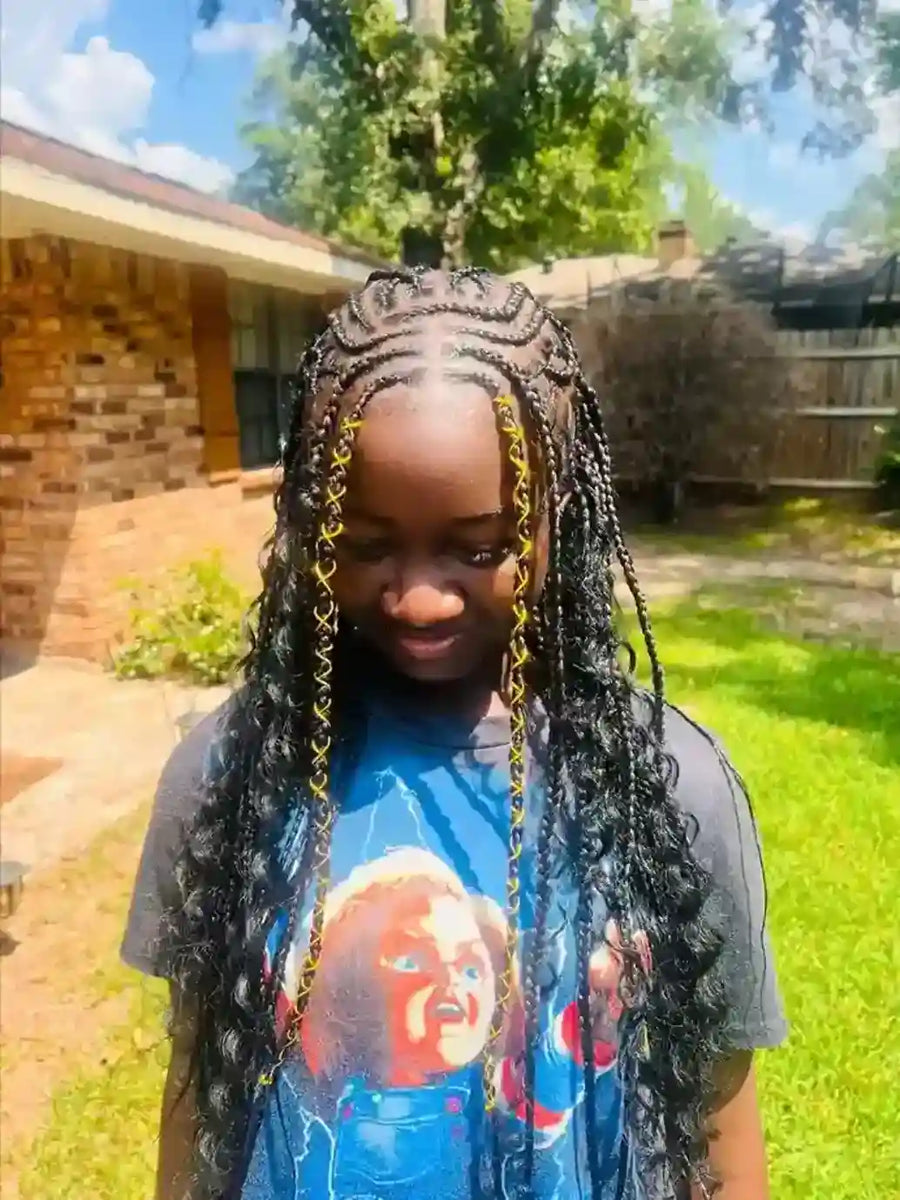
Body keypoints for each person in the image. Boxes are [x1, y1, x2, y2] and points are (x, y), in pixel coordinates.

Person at [121, 267, 786, 1200]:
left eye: (479, 548)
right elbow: (199, 1092)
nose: (419, 595)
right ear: (312, 523)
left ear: (562, 520)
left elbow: (718, 1109)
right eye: (364, 543)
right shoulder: (228, 776)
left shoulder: (672, 786)